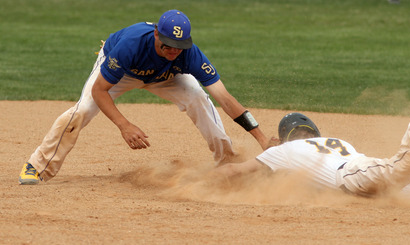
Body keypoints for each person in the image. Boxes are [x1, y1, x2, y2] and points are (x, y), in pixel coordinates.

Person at [19, 10, 273, 185]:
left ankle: (226, 160)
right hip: (124, 73)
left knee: (198, 96)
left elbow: (225, 98)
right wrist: (124, 125)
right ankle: (38, 166)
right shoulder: (130, 45)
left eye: (179, 46)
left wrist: (262, 139)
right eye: (167, 44)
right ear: (155, 35)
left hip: (166, 77)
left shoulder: (189, 53)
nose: (173, 50)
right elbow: (100, 90)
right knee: (82, 110)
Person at [213, 59, 410, 197]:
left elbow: (233, 173)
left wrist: (196, 180)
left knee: (407, 165)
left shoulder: (282, 152)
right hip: (373, 181)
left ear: (286, 136)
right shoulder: (332, 142)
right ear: (313, 132)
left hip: (354, 178)